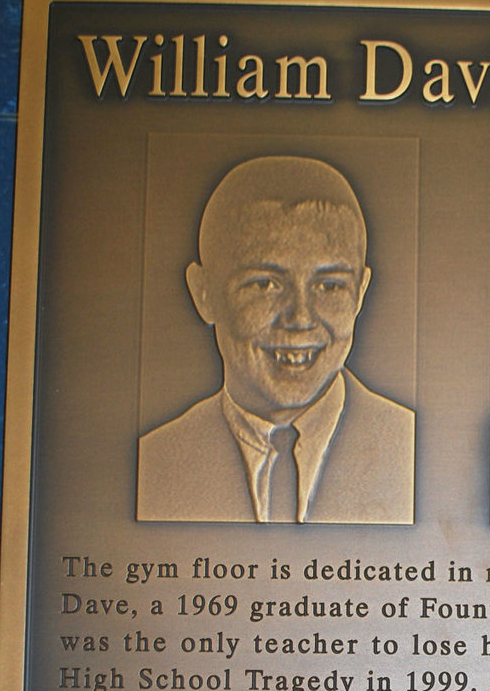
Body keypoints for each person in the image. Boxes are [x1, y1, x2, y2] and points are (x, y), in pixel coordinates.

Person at [137, 156, 414, 523]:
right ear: (203, 293)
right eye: (265, 284)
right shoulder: (153, 463)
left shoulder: (413, 448)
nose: (300, 318)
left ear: (360, 293)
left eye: (329, 286)